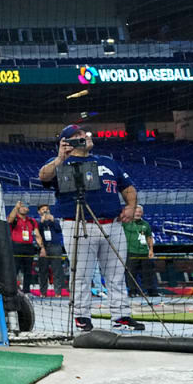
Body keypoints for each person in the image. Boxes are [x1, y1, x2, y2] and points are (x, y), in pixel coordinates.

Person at [38, 123, 145, 332]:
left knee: (116, 273)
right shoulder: (60, 162)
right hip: (77, 224)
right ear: (67, 142)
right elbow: (43, 176)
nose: (84, 136)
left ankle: (121, 315)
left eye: (84, 133)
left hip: (112, 224)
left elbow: (128, 187)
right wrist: (60, 157)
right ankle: (81, 316)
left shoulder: (107, 162)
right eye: (76, 135)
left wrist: (131, 206)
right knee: (81, 274)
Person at [6, 200, 43, 295]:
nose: (23, 208)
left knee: (28, 270)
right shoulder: (15, 219)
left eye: (25, 207)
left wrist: (42, 247)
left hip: (29, 247)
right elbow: (9, 220)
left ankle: (27, 291)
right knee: (15, 270)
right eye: (21, 207)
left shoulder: (32, 221)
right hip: (16, 246)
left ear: (28, 209)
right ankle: (13, 291)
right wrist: (16, 207)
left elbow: (37, 235)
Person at [123, 205, 158, 294]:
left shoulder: (145, 224)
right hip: (131, 252)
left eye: (139, 212)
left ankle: (151, 291)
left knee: (148, 273)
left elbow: (149, 237)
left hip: (144, 252)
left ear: (142, 213)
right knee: (131, 273)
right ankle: (132, 291)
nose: (137, 213)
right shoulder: (126, 223)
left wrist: (151, 250)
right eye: (136, 212)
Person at [35, 205, 68, 297]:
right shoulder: (37, 222)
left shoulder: (55, 220)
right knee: (43, 271)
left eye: (47, 209)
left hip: (55, 246)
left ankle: (58, 292)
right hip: (43, 247)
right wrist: (42, 221)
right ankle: (43, 293)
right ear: (39, 212)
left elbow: (59, 229)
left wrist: (52, 220)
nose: (45, 211)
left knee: (57, 270)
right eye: (43, 209)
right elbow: (37, 233)